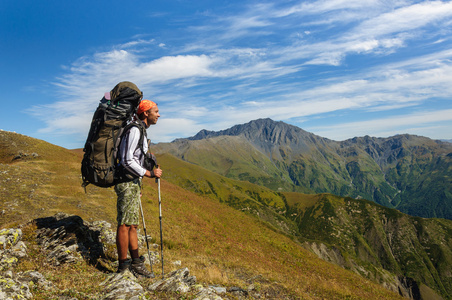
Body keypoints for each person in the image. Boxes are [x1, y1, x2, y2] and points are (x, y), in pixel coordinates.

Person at [115, 99, 163, 277]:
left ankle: (135, 262)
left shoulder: (140, 130)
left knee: (132, 225)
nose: (158, 115)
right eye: (155, 111)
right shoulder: (135, 130)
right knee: (124, 224)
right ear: (145, 113)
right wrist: (148, 173)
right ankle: (123, 267)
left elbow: (133, 157)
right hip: (126, 182)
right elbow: (127, 159)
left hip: (133, 182)